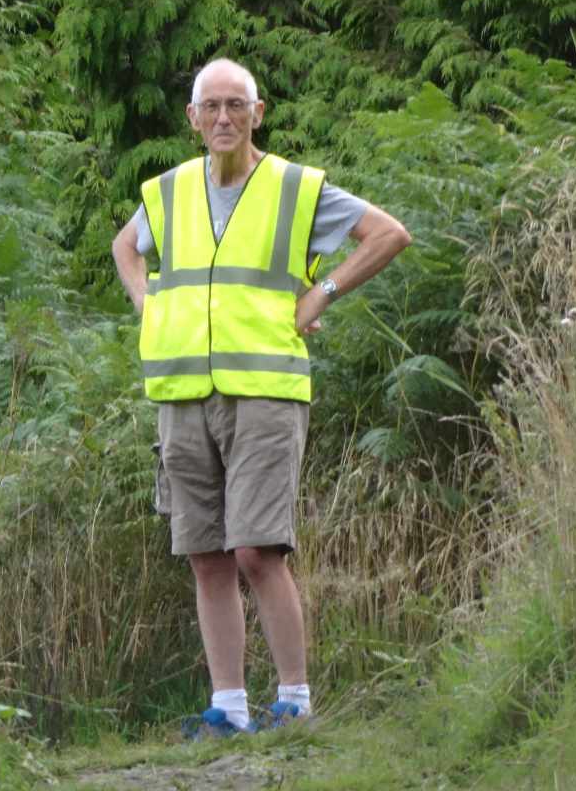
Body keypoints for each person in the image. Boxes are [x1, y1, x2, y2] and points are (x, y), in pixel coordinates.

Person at [110, 58, 410, 735]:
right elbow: (126, 248)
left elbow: (389, 234)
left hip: (268, 391)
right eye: (210, 106)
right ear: (192, 119)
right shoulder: (167, 191)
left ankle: (295, 705)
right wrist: (147, 303)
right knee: (207, 555)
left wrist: (321, 294)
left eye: (235, 106)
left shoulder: (295, 188)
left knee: (257, 550)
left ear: (258, 112)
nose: (222, 118)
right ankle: (230, 710)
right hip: (183, 391)